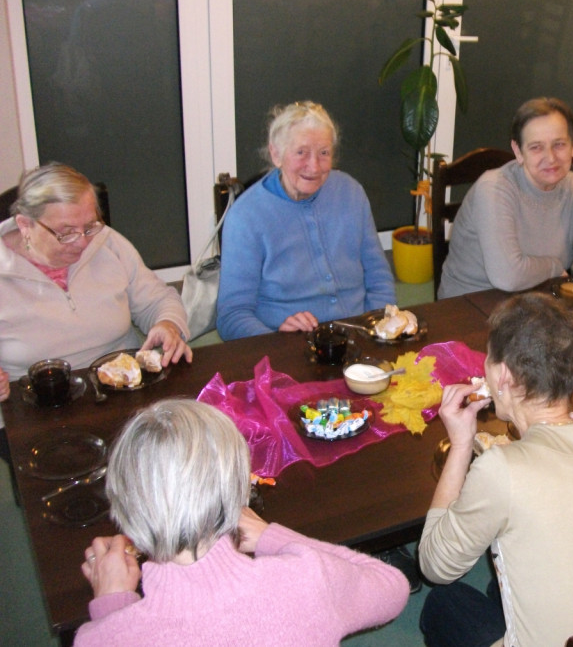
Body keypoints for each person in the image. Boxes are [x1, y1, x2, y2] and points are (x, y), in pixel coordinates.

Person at [418, 293, 573, 646]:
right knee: (502, 580)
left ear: (503, 376)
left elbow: (434, 566)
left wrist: (461, 444)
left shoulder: (500, 470)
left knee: (443, 602)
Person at [73, 399, 409, 646]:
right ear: (239, 491)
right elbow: (391, 586)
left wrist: (113, 606)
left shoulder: (98, 640)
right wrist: (270, 537)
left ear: (125, 509)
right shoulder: (304, 580)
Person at [0, 163, 191, 461]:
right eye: (65, 233)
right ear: (25, 225)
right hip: (39, 408)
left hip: (124, 389)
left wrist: (167, 324)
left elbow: (158, 298)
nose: (83, 242)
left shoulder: (108, 243)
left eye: (90, 226)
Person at [217, 101, 395, 340]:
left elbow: (378, 276)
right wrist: (275, 339)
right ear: (276, 154)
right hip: (289, 344)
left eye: (324, 153)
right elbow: (232, 315)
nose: (314, 166)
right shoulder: (246, 217)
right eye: (301, 153)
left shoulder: (351, 192)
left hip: (360, 334)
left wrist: (379, 327)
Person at [438, 97, 573, 298]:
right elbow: (508, 276)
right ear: (518, 152)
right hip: (472, 304)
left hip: (537, 299)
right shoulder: (494, 189)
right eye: (536, 147)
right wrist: (554, 266)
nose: (551, 158)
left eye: (559, 144)